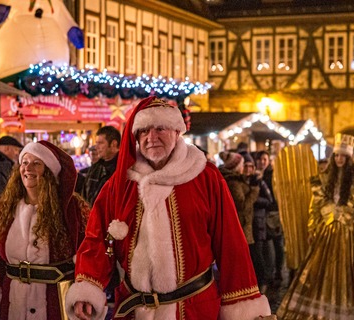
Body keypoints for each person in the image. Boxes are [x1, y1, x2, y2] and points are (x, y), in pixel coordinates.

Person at [65, 97, 274, 320]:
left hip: (194, 309)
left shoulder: (205, 178)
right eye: (144, 131)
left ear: (176, 132)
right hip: (134, 311)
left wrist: (243, 303)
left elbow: (230, 243)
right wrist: (88, 287)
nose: (151, 138)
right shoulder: (119, 185)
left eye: (160, 129)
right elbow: (96, 239)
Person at [276, 133, 354, 320]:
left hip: (349, 235)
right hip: (326, 234)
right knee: (318, 274)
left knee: (352, 276)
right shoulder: (323, 181)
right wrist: (312, 229)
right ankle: (322, 311)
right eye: (337, 155)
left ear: (349, 158)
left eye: (343, 156)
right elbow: (315, 208)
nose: (339, 159)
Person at [0, 140, 90, 319]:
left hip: (56, 305)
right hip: (12, 304)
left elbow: (89, 254)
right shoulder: (6, 208)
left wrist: (83, 295)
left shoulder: (73, 209)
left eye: (36, 163)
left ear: (49, 172)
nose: (28, 168)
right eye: (24, 162)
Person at [242, 152, 273, 294]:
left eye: (250, 166)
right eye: (246, 166)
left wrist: (254, 201)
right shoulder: (241, 181)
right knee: (249, 256)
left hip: (258, 223)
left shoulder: (259, 181)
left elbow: (269, 200)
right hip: (246, 224)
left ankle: (263, 282)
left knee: (258, 255)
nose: (248, 169)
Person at [256, 151, 285, 285]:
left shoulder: (274, 175)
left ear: (268, 161)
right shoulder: (254, 175)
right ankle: (269, 274)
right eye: (260, 159)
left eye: (265, 159)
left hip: (274, 213)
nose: (262, 162)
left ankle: (278, 272)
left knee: (278, 244)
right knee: (267, 247)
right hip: (262, 216)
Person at [80, 126, 120, 206]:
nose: (96, 147)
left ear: (113, 144)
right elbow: (83, 197)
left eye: (101, 143)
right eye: (96, 143)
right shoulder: (94, 169)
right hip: (92, 216)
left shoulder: (123, 169)